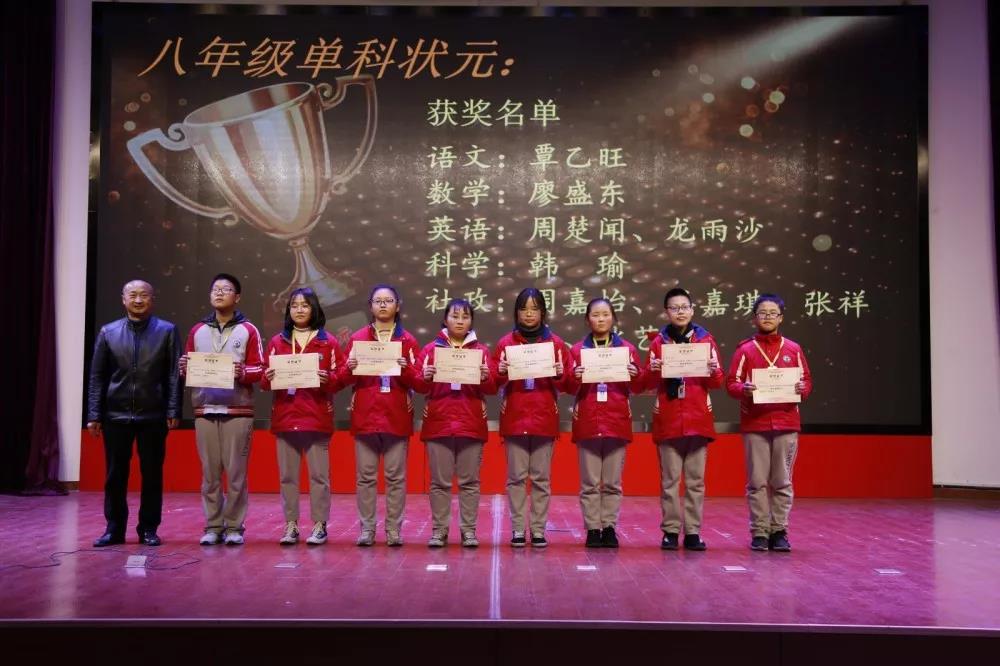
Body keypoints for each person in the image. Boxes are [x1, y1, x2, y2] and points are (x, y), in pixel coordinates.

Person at [87, 279, 181, 547]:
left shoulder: (167, 331)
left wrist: (173, 409)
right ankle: (114, 529)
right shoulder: (108, 332)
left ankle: (148, 528)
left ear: (152, 299)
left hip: (153, 414)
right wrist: (94, 414)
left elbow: (174, 375)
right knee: (115, 475)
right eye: (133, 295)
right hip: (115, 415)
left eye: (144, 295)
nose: (138, 300)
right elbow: (97, 376)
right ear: (123, 299)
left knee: (152, 475)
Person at [178, 273, 264, 546]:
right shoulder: (197, 331)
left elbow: (261, 370)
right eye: (215, 289)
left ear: (237, 297)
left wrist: (242, 372)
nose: (219, 293)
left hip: (238, 411)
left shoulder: (248, 330)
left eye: (226, 289)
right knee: (210, 474)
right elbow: (188, 366)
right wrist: (184, 368)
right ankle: (213, 526)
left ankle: (235, 527)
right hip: (205, 409)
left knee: (236, 473)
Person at [726, 293, 813, 552]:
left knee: (782, 481)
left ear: (781, 318)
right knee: (757, 482)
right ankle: (760, 532)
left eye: (772, 313)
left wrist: (802, 389)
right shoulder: (745, 349)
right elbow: (731, 383)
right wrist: (744, 389)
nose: (767, 317)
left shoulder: (793, 349)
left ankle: (779, 531)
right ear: (755, 318)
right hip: (755, 424)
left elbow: (807, 381)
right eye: (762, 313)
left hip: (786, 423)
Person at [261, 288, 344, 546]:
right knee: (287, 477)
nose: (299, 309)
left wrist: (328, 379)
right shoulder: (277, 342)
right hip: (285, 417)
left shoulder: (328, 342)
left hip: (316, 418)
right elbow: (263, 379)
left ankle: (319, 525)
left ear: (314, 309)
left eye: (305, 305)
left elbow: (341, 377)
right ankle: (291, 525)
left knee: (319, 477)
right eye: (294, 305)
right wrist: (268, 377)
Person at [341, 285, 421, 547]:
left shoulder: (407, 340)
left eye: (388, 301)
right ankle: (366, 529)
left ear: (398, 306)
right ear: (370, 306)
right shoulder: (358, 339)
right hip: (366, 416)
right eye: (378, 301)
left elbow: (421, 383)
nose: (383, 305)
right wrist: (349, 368)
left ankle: (394, 529)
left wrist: (407, 370)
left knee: (396, 478)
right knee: (365, 478)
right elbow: (340, 378)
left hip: (396, 417)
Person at [646, 288, 724, 551]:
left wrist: (713, 371)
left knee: (695, 481)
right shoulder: (658, 342)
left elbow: (717, 382)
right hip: (669, 419)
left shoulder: (706, 340)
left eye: (684, 307)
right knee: (669, 481)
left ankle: (692, 531)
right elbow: (646, 382)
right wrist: (652, 371)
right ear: (666, 312)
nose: (680, 312)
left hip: (698, 419)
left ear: (692, 310)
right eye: (674, 308)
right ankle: (670, 530)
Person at [414, 299, 497, 548]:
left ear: (471, 321)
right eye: (454, 316)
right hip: (438, 423)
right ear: (445, 319)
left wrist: (486, 377)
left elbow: (493, 388)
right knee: (439, 483)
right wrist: (425, 377)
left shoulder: (481, 351)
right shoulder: (431, 350)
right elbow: (417, 385)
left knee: (469, 483)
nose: (460, 321)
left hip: (471, 423)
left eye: (465, 317)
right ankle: (439, 531)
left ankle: (468, 531)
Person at [494, 288, 572, 548]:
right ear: (516, 312)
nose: (529, 314)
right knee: (516, 478)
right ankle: (518, 529)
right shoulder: (505, 343)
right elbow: (491, 381)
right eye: (524, 309)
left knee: (541, 479)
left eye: (535, 309)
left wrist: (560, 374)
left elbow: (570, 384)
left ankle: (538, 530)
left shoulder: (556, 344)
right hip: (515, 419)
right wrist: (500, 372)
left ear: (543, 312)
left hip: (544, 419)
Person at [565, 298, 644, 548]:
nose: (601, 319)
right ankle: (592, 528)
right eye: (595, 315)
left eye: (605, 314)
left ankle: (609, 527)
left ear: (613, 318)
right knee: (589, 483)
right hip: (588, 421)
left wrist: (636, 375)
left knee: (612, 483)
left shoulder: (627, 349)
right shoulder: (577, 350)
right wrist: (574, 377)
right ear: (587, 319)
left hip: (616, 420)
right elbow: (567, 386)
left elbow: (639, 386)